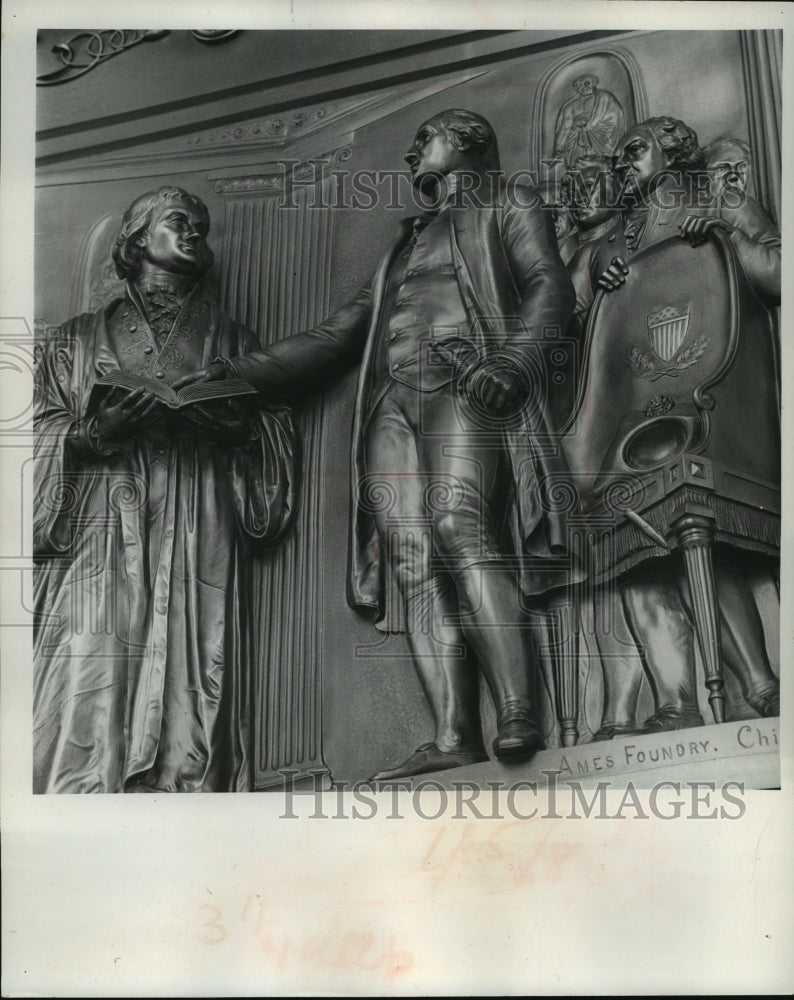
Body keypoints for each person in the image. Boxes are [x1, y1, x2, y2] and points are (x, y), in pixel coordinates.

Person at [176, 110, 577, 780]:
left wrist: (512, 362)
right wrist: (235, 374)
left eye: (428, 138)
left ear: (471, 142)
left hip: (465, 384)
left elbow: (549, 286)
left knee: (460, 529)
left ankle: (516, 709)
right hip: (391, 406)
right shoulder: (405, 244)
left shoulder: (508, 202)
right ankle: (454, 734)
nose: (413, 150)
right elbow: (337, 336)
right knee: (412, 558)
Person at [33, 186, 299, 793]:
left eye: (202, 227)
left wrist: (241, 433)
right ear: (136, 238)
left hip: (198, 512)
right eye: (180, 221)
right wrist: (91, 433)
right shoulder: (74, 341)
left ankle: (179, 780)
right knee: (92, 656)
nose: (195, 233)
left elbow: (272, 431)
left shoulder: (234, 340)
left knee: (192, 661)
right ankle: (84, 782)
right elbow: (34, 436)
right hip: (102, 523)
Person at [578, 117, 780, 733]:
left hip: (713, 406)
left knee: (697, 530)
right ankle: (674, 702)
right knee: (628, 552)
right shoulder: (612, 243)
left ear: (676, 149)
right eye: (615, 159)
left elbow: (777, 272)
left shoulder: (717, 197)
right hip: (630, 426)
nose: (622, 165)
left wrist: (724, 234)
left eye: (634, 150)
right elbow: (593, 349)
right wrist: (593, 291)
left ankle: (761, 685)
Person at [552, 73, 626, 169]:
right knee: (579, 169)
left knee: (603, 169)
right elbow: (565, 128)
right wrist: (558, 148)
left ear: (594, 84)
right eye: (580, 85)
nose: (584, 87)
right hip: (578, 144)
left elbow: (614, 116)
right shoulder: (570, 106)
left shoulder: (604, 97)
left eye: (587, 83)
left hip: (602, 141)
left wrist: (590, 124)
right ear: (577, 88)